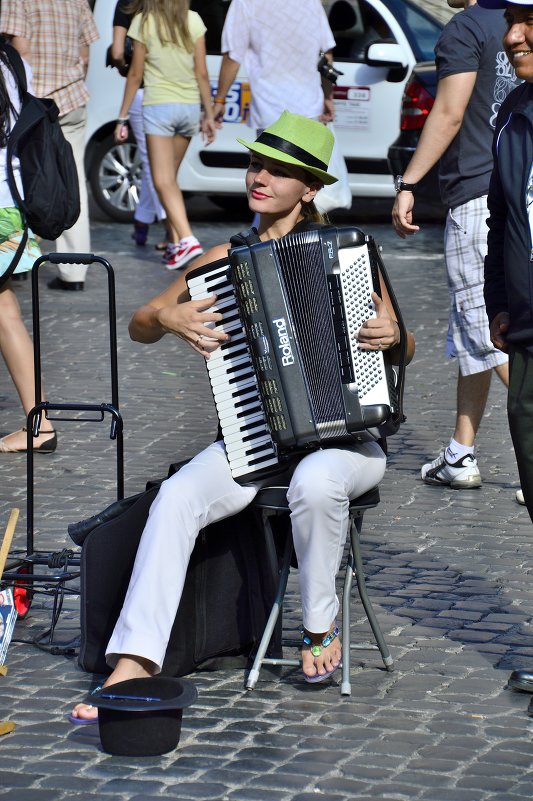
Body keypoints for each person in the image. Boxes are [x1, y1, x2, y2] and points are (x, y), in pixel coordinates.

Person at [69, 111, 415, 722]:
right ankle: (133, 662)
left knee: (315, 480)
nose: (260, 177)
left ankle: (318, 628)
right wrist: (169, 318)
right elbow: (141, 323)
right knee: (176, 496)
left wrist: (392, 333)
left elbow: (402, 345)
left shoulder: (349, 253)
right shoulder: (226, 258)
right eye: (256, 164)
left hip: (350, 443)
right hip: (259, 437)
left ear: (309, 188)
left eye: (279, 171)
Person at [391, 0, 520, 492]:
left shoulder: (466, 27)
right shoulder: (518, 21)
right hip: (519, 189)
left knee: (487, 329)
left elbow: (448, 111)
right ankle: (459, 453)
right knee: (482, 329)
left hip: (478, 195)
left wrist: (409, 182)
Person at [478, 0, 533, 701]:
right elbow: (500, 211)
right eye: (510, 21)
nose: (513, 35)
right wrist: (498, 296)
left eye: (530, 18)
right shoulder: (514, 109)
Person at [212, 0, 352, 218]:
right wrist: (327, 96)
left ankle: (270, 243)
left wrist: (219, 100)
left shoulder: (245, 3)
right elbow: (326, 54)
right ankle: (307, 239)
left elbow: (233, 55)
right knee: (303, 184)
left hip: (271, 108)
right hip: (308, 106)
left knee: (268, 183)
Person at [0, 0, 99, 292]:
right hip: (72, 97)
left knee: (25, 176)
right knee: (72, 177)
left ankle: (18, 257)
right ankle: (74, 270)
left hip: (35, 104)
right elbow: (86, 52)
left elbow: (20, 47)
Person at [115, 0, 217, 272]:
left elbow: (135, 74)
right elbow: (202, 73)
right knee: (169, 178)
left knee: (161, 179)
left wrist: (122, 115)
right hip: (188, 108)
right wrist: (208, 113)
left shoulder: (144, 21)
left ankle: (186, 239)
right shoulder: (193, 19)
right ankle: (174, 243)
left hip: (159, 106)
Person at [0, 46, 56, 454]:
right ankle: (40, 423)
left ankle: (40, 423)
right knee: (4, 313)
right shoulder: (13, 61)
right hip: (11, 201)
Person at [108, 0, 169, 252]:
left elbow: (117, 52)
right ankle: (143, 222)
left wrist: (125, 67)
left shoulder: (127, 3)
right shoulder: (170, 4)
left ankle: (172, 229)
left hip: (143, 91)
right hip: (172, 90)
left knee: (154, 162)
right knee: (156, 162)